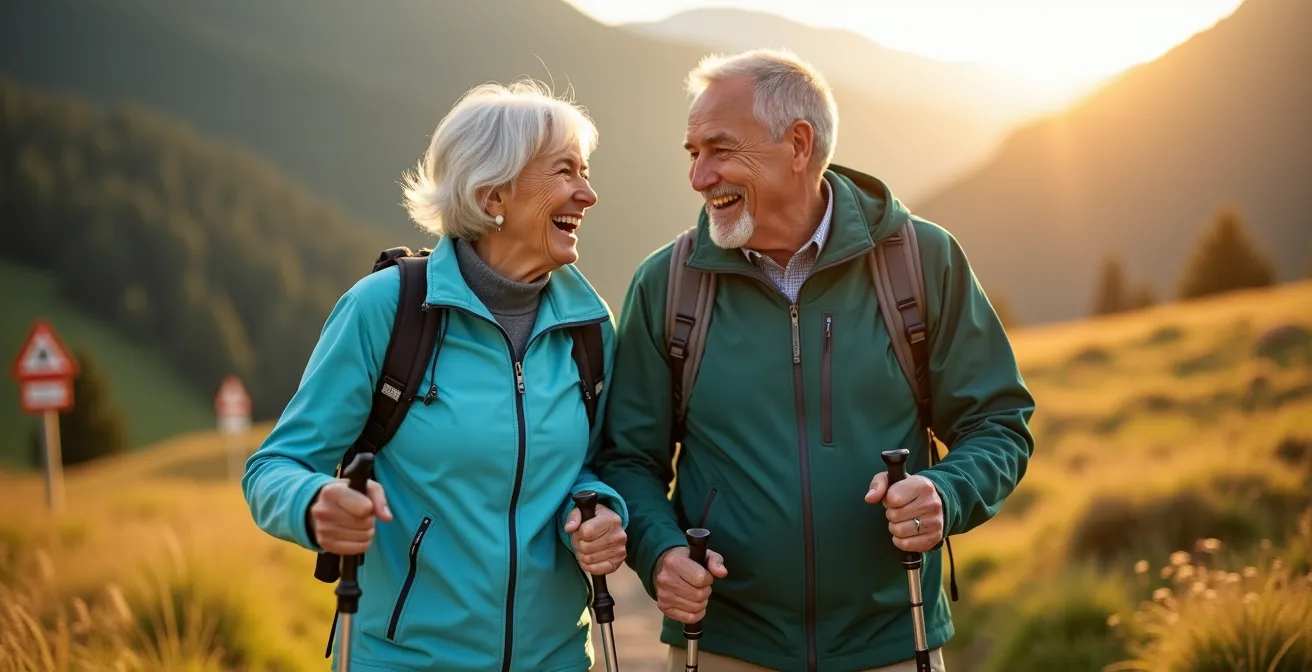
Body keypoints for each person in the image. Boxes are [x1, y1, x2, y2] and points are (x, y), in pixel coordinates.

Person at [596, 49, 1036, 672]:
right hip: (721, 648)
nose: (699, 177)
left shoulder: (920, 262)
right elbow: (627, 458)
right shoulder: (668, 284)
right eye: (692, 154)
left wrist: (946, 492)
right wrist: (660, 550)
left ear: (798, 144)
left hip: (895, 643)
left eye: (719, 149)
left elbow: (999, 422)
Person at [242, 79, 629, 672]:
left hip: (556, 659)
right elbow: (273, 467)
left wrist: (599, 506)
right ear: (493, 191)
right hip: (404, 659)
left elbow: (600, 464)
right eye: (565, 172)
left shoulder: (588, 326)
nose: (589, 193)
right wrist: (315, 501)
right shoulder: (384, 311)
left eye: (586, 171)